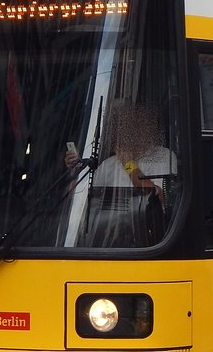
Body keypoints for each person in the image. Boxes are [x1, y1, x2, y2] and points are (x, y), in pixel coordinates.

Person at [65, 102, 176, 246]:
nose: (131, 131)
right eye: (125, 126)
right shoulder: (109, 164)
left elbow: (158, 196)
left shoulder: (164, 156)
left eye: (138, 125)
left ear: (149, 128)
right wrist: (77, 172)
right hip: (108, 238)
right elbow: (78, 197)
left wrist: (128, 164)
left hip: (149, 241)